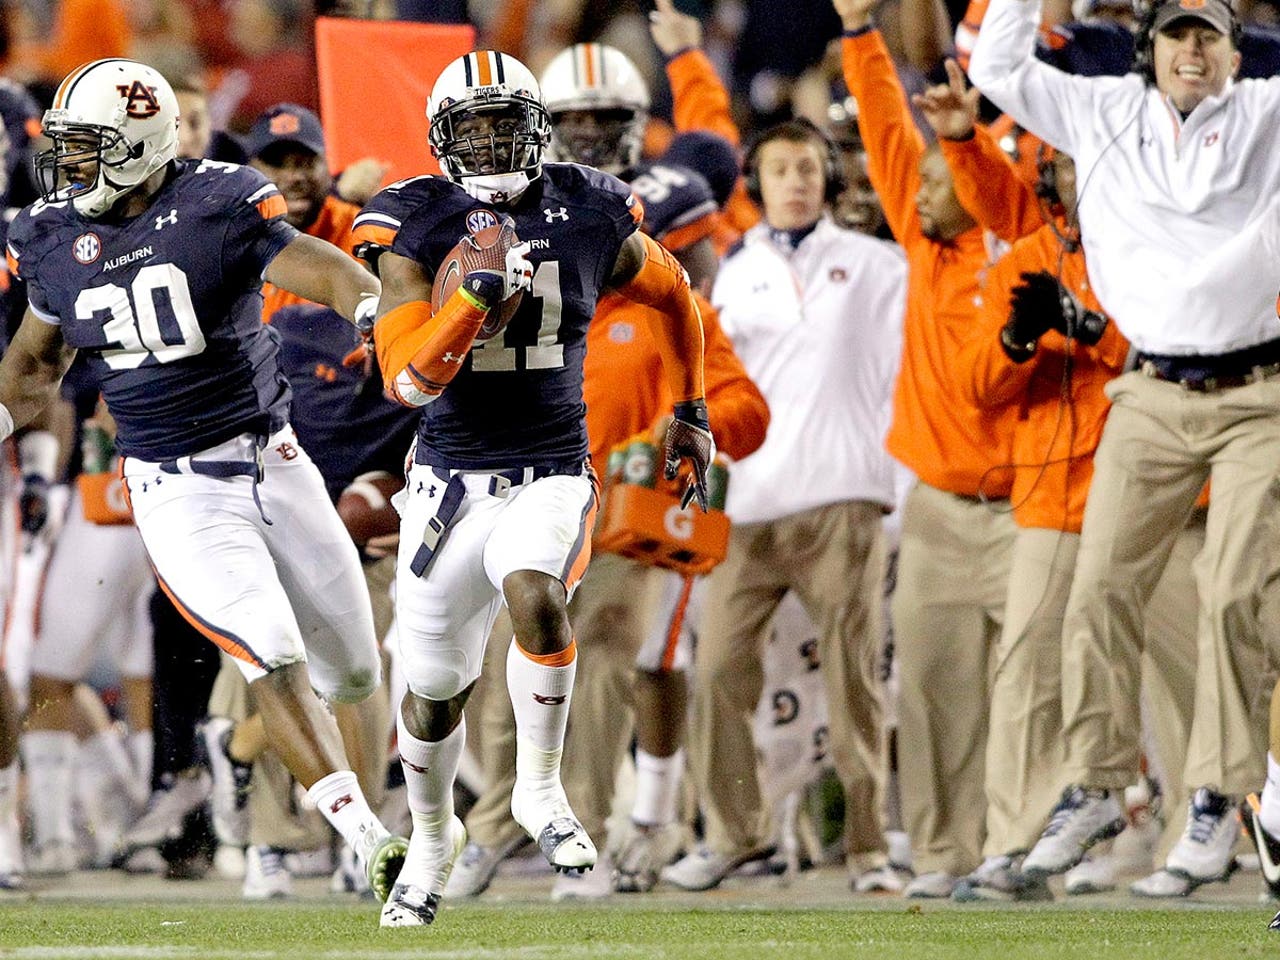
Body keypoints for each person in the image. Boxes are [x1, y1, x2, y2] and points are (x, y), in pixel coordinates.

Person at [0, 58, 408, 906]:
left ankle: (240, 746)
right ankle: (367, 839)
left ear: (139, 149)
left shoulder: (216, 201)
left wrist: (372, 310)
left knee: (356, 675)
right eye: (66, 148)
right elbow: (34, 367)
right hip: (176, 488)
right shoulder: (50, 234)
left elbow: (319, 268)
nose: (69, 167)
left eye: (90, 148)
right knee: (271, 648)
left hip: (276, 460)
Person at [352, 48, 712, 927]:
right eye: (471, 129)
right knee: (433, 689)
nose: (490, 143)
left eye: (506, 123)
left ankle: (540, 793)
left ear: (537, 128)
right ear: (441, 139)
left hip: (551, 467)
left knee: (536, 596)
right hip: (445, 481)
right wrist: (470, 303)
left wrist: (690, 406)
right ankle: (433, 839)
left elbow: (677, 297)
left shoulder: (589, 206)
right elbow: (406, 381)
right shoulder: (416, 220)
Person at [969, 0, 1280, 921]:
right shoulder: (1100, 110)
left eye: (1210, 35)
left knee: (1231, 592)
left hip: (1261, 391)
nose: (1193, 49)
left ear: (1235, 51)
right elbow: (995, 62)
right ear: (1148, 46)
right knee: (1097, 585)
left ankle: (1219, 799)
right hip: (1147, 393)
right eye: (1178, 32)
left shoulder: (1266, 113)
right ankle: (1098, 787)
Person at [443, 42, 769, 902]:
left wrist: (672, 430)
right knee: (503, 675)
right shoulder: (512, 281)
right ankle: (492, 830)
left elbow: (740, 404)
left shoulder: (661, 298)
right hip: (523, 499)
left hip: (624, 518)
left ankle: (580, 836)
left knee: (589, 666)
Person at [660, 116, 906, 895]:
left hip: (843, 496)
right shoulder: (731, 271)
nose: (795, 181)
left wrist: (893, 487)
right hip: (750, 501)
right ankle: (737, 834)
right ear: (755, 185)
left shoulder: (876, 263)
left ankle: (869, 848)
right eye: (779, 169)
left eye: (807, 167)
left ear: (827, 179)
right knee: (719, 670)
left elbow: (906, 376)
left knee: (854, 678)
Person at [835, 0, 1020, 899]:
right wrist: (860, 36)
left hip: (1031, 508)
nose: (923, 190)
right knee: (937, 698)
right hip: (941, 508)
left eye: (943, 178)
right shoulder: (924, 240)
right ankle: (945, 858)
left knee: (1033, 698)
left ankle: (1024, 851)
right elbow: (883, 131)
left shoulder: (1026, 247)